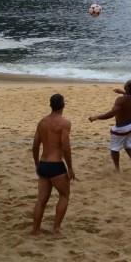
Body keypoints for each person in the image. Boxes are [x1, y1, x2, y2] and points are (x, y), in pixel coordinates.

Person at [31, 93, 76, 236]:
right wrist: (70, 167)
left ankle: (35, 229)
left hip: (43, 164)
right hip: (56, 165)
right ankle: (56, 229)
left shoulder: (42, 122)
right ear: (63, 105)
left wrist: (37, 163)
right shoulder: (65, 123)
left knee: (41, 200)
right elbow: (65, 147)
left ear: (50, 105)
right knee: (64, 195)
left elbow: (35, 145)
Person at [89, 79, 131, 175]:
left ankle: (117, 169)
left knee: (114, 149)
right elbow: (129, 94)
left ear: (127, 87)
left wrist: (96, 117)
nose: (124, 84)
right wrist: (122, 92)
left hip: (121, 128)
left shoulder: (120, 100)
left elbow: (112, 114)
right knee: (129, 146)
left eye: (126, 84)